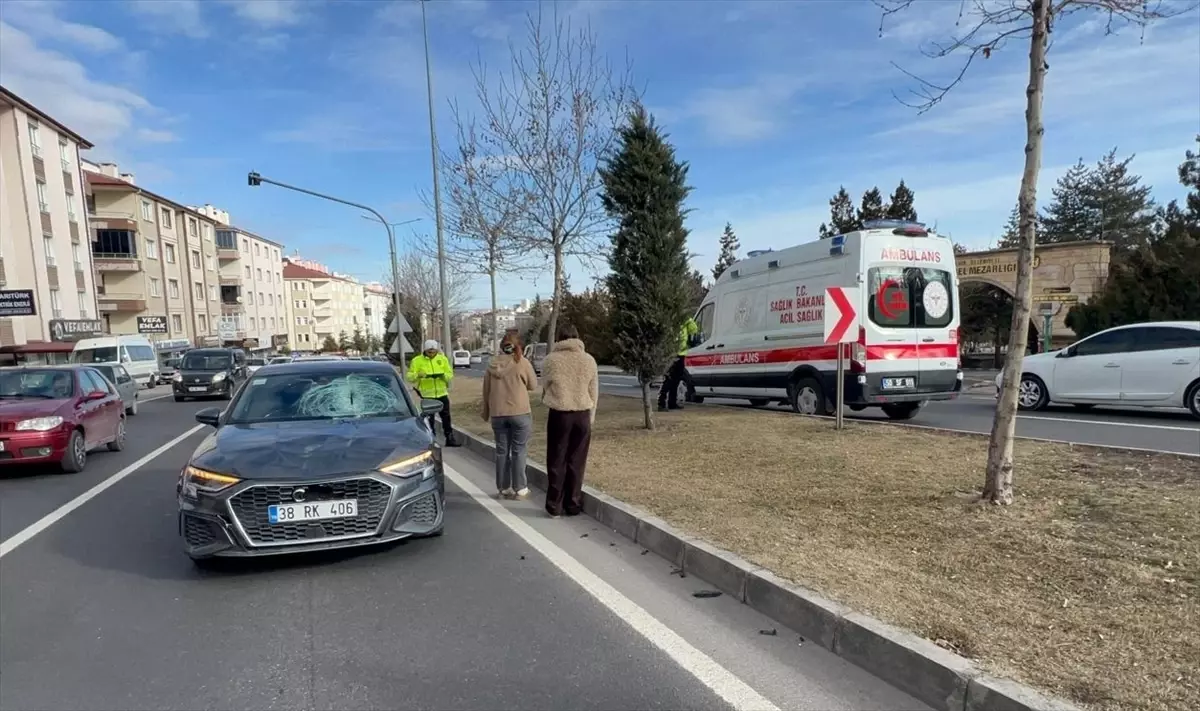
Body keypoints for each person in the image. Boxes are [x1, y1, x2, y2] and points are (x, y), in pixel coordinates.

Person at [539, 324, 598, 518]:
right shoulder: (589, 360)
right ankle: (573, 503)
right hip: (582, 414)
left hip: (559, 413)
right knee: (577, 461)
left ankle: (554, 504)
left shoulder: (551, 360)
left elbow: (545, 386)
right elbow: (594, 390)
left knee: (556, 459)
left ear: (559, 338)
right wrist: (591, 416)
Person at [481, 332, 538, 499]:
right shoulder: (522, 363)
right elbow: (533, 385)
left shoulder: (492, 364)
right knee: (519, 450)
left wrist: (486, 412)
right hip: (519, 412)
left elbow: (486, 390)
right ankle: (520, 488)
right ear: (517, 346)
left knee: (501, 451)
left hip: (498, 414)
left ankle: (503, 487)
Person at [406, 339, 460, 447]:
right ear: (425, 350)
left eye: (433, 351)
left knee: (446, 417)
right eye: (429, 352)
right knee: (429, 419)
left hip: (442, 393)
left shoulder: (442, 359)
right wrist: (418, 375)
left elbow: (450, 374)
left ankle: (449, 438)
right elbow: (409, 376)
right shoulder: (417, 360)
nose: (431, 354)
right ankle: (431, 439)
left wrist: (443, 376)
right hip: (427, 395)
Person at [658, 315, 699, 411]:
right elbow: (693, 329)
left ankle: (671, 402)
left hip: (680, 354)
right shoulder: (673, 318)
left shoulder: (684, 320)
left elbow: (694, 329)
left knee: (676, 379)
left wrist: (688, 321)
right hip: (673, 354)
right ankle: (661, 402)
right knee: (669, 379)